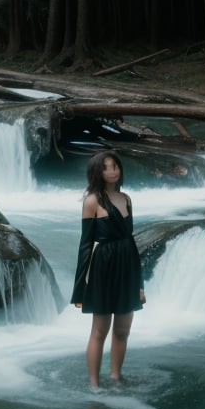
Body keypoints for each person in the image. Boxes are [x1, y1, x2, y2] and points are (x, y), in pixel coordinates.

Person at [70, 150, 145, 390]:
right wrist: (80, 288)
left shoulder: (127, 199)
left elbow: (131, 242)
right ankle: (94, 384)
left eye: (115, 166)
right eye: (106, 167)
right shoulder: (92, 200)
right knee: (100, 330)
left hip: (128, 264)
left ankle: (116, 377)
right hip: (103, 265)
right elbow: (85, 244)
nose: (112, 171)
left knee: (123, 329)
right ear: (97, 172)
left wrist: (140, 284)